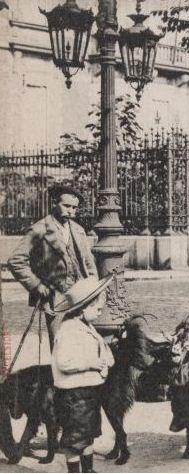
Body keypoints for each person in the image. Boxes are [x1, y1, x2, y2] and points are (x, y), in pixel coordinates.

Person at [8, 184, 98, 344]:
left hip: (81, 294)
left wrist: (93, 287)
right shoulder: (39, 229)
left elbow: (89, 263)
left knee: (82, 341)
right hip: (55, 297)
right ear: (54, 203)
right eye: (66, 206)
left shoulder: (78, 230)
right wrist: (37, 285)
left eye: (74, 207)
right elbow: (16, 261)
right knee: (60, 344)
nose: (71, 210)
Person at [51, 275, 115, 473]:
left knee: (88, 433)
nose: (100, 310)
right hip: (74, 395)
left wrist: (106, 361)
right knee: (74, 438)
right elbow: (64, 362)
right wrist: (92, 363)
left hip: (87, 392)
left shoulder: (87, 326)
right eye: (96, 307)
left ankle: (87, 470)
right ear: (82, 308)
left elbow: (101, 349)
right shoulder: (68, 330)